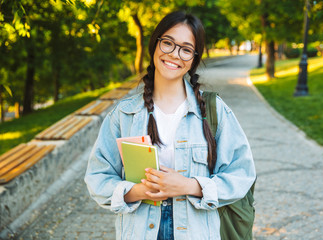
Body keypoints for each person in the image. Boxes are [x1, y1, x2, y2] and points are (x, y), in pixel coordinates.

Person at [84, 11, 256, 240]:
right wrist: (138, 191)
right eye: (168, 43)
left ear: (194, 58)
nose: (175, 55)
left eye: (185, 49)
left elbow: (241, 174)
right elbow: (97, 177)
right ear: (155, 45)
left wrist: (188, 186)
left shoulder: (215, 111)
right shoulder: (124, 114)